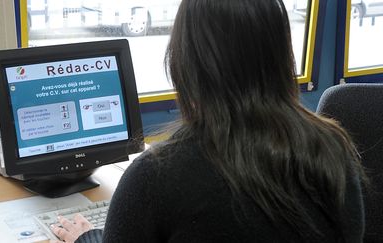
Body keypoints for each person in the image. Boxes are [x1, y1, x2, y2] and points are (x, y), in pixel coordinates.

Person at [50, 0, 366, 242]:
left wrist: (88, 236)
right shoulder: (335, 154)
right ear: (281, 55)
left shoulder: (155, 178)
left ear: (185, 63)